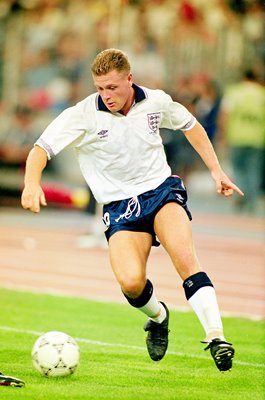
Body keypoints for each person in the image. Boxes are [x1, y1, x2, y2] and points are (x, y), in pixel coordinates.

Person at [21, 48, 244, 371]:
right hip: (120, 207)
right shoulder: (82, 115)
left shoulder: (156, 101)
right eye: (100, 88)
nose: (106, 95)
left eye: (112, 87)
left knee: (184, 258)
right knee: (131, 283)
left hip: (161, 191)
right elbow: (40, 149)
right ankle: (159, 316)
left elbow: (191, 125)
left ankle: (217, 337)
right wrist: (31, 183)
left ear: (129, 79)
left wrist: (216, 170)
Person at [219, 69, 265, 213]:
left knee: (238, 168)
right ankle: (251, 199)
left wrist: (223, 134)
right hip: (257, 138)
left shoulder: (234, 92)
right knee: (254, 169)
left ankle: (241, 194)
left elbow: (225, 114)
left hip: (237, 137)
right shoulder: (262, 94)